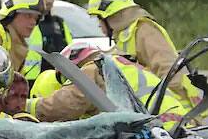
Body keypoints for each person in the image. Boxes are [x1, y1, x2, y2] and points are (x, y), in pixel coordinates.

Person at [86, 0, 202, 110]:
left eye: (98, 18)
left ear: (109, 16)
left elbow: (169, 71)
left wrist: (169, 113)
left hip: (174, 113)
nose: (98, 25)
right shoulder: (126, 36)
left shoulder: (144, 31)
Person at [28, 44, 185, 128]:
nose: (70, 84)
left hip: (160, 126)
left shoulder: (94, 67)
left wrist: (27, 106)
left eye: (68, 80)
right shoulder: (120, 65)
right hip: (178, 122)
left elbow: (69, 102)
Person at [0, 0, 45, 74]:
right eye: (28, 16)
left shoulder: (18, 43)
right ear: (11, 14)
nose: (33, 22)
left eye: (36, 18)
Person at [25, 0, 73, 82]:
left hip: (56, 80)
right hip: (30, 79)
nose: (50, 1)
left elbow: (70, 50)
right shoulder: (26, 22)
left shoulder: (59, 23)